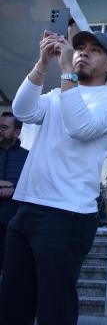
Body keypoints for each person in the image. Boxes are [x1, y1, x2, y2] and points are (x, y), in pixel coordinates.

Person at [0, 30, 107, 325]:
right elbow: (22, 111)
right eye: (79, 47)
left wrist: (67, 69)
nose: (83, 52)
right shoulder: (59, 93)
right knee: (11, 301)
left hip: (67, 214)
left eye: (94, 50)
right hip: (28, 207)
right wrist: (42, 64)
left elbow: (79, 127)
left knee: (54, 306)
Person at [0, 112, 29, 273]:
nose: (0, 131)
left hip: (15, 225)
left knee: (12, 272)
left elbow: (35, 185)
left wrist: (14, 190)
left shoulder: (28, 157)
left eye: (4, 127)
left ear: (17, 132)